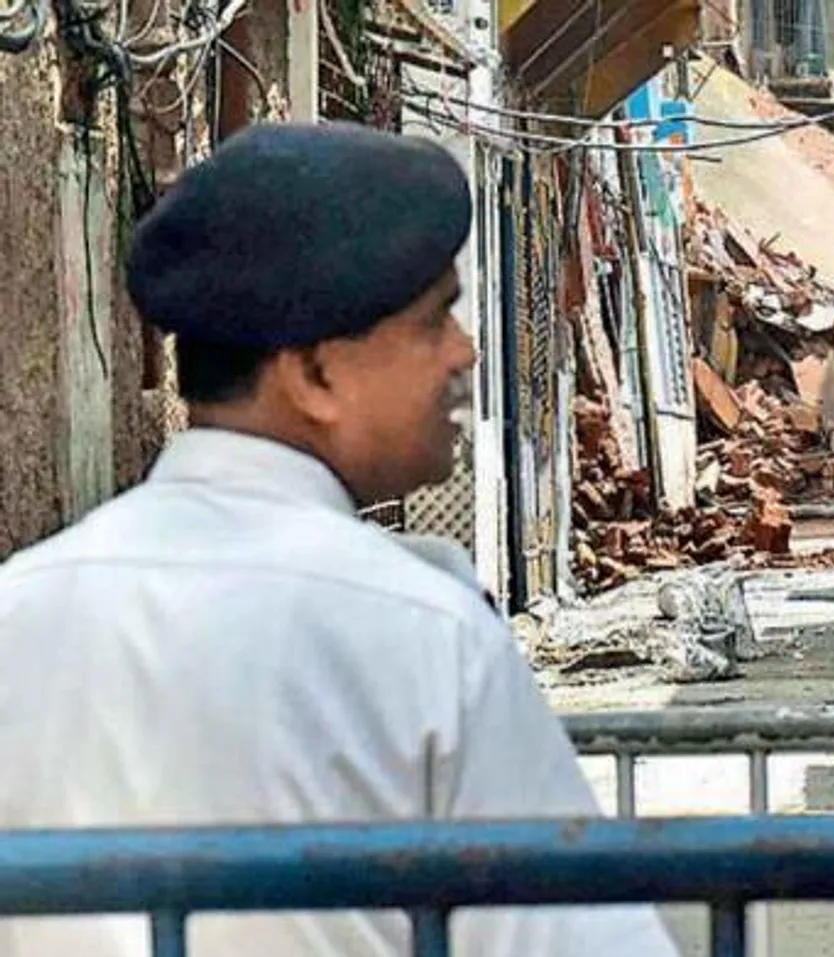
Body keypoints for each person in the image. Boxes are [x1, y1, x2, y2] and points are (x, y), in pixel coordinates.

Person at [0, 122, 681, 957]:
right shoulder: (424, 631)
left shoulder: (19, 606)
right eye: (435, 321)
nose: (464, 352)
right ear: (314, 373)